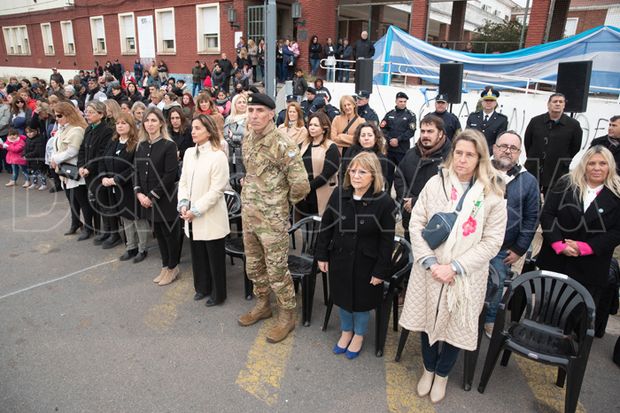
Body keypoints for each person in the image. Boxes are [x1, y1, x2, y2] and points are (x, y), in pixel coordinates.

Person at [399, 129, 506, 403]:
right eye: (458, 153)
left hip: (464, 274)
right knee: (427, 319)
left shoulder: (492, 192)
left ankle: (443, 373)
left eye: (469, 154)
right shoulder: (436, 184)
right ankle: (429, 368)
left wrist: (455, 266)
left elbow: (492, 242)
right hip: (429, 270)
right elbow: (416, 223)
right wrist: (432, 263)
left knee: (456, 325)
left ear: (480, 157)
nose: (462, 159)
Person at [237, 93, 310, 343]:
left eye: (260, 111)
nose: (254, 115)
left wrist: (278, 203)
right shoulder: (247, 139)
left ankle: (287, 315)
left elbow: (301, 185)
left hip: (272, 221)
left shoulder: (283, 143)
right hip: (249, 216)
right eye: (251, 110)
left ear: (271, 114)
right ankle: (263, 305)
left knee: (277, 269)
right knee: (254, 266)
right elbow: (251, 173)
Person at [315, 151, 395, 359]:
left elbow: (387, 241)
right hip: (340, 258)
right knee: (342, 296)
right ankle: (346, 331)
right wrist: (322, 255)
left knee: (361, 302)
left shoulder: (384, 202)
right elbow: (326, 226)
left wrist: (380, 271)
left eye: (362, 171)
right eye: (353, 170)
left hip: (366, 262)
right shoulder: (339, 194)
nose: (356, 175)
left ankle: (358, 335)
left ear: (373, 175)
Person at [537, 145, 620, 336]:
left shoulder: (617, 194)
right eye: (591, 163)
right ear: (584, 165)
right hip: (556, 259)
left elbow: (616, 232)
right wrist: (559, 244)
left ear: (610, 166)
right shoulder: (565, 184)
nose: (596, 168)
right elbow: (547, 215)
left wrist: (585, 247)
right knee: (546, 309)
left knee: (573, 318)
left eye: (602, 163)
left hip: (590, 266)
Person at [484, 130, 540, 338]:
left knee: (496, 286)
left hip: (503, 248)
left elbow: (532, 217)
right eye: (503, 146)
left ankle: (489, 320)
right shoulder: (479, 171)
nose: (507, 151)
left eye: (513, 148)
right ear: (494, 148)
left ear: (519, 153)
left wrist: (519, 249)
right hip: (472, 242)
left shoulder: (528, 181)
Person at [178, 114, 230, 306]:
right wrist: (183, 203)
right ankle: (202, 287)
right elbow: (183, 181)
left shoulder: (218, 156)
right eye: (192, 128)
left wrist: (196, 210)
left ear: (209, 131)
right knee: (198, 254)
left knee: (214, 257)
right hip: (190, 214)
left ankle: (218, 293)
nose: (193, 131)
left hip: (210, 216)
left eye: (198, 128)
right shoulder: (190, 153)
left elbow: (217, 190)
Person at [135, 107, 182, 286]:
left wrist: (152, 195)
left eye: (154, 120)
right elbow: (137, 171)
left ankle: (173, 267)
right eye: (147, 120)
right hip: (146, 200)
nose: (150, 124)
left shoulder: (169, 145)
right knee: (159, 235)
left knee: (169, 235)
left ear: (161, 123)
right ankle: (165, 266)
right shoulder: (141, 146)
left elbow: (170, 175)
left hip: (165, 199)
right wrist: (139, 193)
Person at [99, 112, 148, 262]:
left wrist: (117, 179)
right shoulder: (113, 141)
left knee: (137, 218)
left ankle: (142, 249)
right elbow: (103, 159)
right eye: (118, 123)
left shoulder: (136, 144)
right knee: (125, 218)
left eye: (124, 123)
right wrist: (103, 177)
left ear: (131, 126)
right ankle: (130, 247)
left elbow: (134, 166)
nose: (120, 126)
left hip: (130, 186)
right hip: (114, 187)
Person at [394, 114, 451, 241]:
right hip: (410, 218)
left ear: (440, 133)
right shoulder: (411, 153)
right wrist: (406, 199)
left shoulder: (450, 158)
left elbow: (446, 190)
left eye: (430, 131)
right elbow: (399, 176)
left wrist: (416, 202)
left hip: (435, 224)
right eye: (423, 131)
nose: (425, 135)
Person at [524, 93, 584, 194]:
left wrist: (565, 160)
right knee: (530, 197)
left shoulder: (573, 125)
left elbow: (575, 146)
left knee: (552, 200)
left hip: (557, 170)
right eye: (555, 101)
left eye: (561, 102)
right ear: (548, 104)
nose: (558, 104)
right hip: (534, 167)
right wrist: (532, 156)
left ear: (564, 105)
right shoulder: (536, 121)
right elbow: (527, 142)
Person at [78, 101, 115, 244]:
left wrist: (89, 168)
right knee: (98, 203)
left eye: (91, 112)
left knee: (105, 204)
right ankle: (105, 231)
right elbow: (82, 149)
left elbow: (101, 153)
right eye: (87, 111)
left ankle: (112, 233)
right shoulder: (89, 129)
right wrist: (81, 165)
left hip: (99, 173)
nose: (88, 114)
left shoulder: (106, 130)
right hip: (87, 173)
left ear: (101, 114)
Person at [50, 102, 88, 237]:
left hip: (74, 170)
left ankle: (88, 227)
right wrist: (53, 159)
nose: (57, 119)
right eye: (55, 116)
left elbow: (73, 150)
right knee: (71, 200)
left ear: (68, 115)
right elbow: (55, 147)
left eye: (59, 116)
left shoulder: (76, 129)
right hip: (64, 170)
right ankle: (75, 223)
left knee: (82, 201)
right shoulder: (62, 128)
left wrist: (56, 159)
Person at [296, 112, 340, 217]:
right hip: (303, 196)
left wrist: (307, 187)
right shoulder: (303, 144)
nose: (312, 128)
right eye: (310, 125)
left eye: (316, 125)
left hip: (321, 194)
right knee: (304, 228)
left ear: (324, 129)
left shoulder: (331, 147)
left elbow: (326, 174)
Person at [380, 91, 417, 189]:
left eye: (405, 101)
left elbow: (411, 131)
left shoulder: (410, 115)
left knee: (402, 175)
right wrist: (390, 139)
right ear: (396, 101)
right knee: (388, 175)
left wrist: (398, 140)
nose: (403, 103)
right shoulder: (389, 114)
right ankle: (386, 195)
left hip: (402, 151)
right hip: (390, 150)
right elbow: (382, 128)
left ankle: (400, 196)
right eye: (401, 101)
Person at [23, 126, 47, 190]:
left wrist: (26, 156)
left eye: (31, 132)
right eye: (27, 132)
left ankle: (44, 184)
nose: (29, 134)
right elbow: (25, 148)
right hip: (31, 159)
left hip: (38, 159)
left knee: (40, 173)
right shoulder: (27, 139)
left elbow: (37, 151)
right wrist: (24, 154)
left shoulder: (39, 139)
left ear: (36, 131)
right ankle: (34, 183)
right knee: (33, 172)